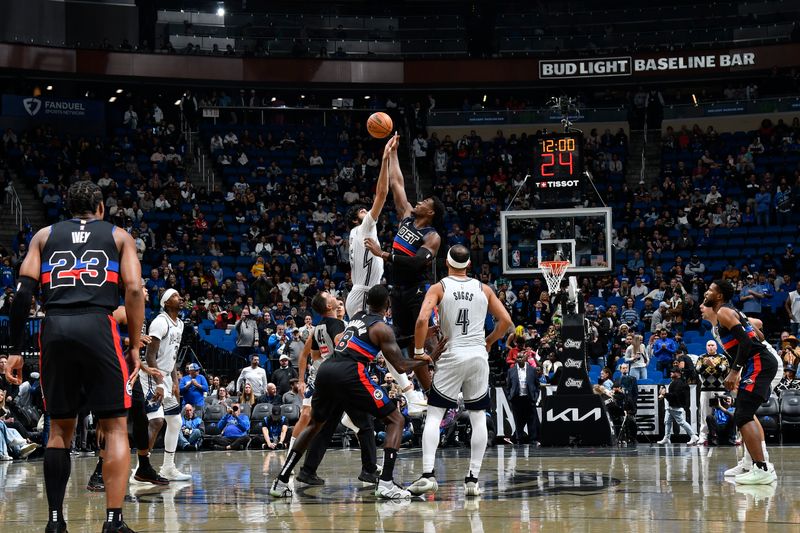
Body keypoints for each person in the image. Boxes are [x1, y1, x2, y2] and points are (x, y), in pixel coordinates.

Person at [6, 181, 143, 532]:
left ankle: (55, 521)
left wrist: (14, 350)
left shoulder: (44, 236)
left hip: (55, 328)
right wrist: (134, 347)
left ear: (70, 208)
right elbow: (132, 289)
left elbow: (21, 296)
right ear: (100, 208)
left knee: (59, 429)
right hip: (99, 324)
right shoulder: (119, 236)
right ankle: (113, 521)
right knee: (114, 426)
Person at [270, 285, 433, 500]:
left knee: (314, 425)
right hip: (350, 372)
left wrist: (413, 338)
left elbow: (385, 340)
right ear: (388, 305)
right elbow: (401, 366)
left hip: (326, 371)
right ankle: (385, 483)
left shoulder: (358, 316)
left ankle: (281, 481)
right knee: (395, 419)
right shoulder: (381, 328)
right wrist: (426, 357)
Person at [408, 244, 513, 497]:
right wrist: (489, 341)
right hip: (478, 355)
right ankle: (473, 481)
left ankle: (428, 475)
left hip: (452, 354)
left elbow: (422, 319)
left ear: (446, 263)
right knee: (478, 417)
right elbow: (507, 322)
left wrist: (420, 350)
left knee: (434, 415)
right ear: (469, 265)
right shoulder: (484, 288)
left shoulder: (439, 287)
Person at [364, 133, 444, 358]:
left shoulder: (432, 236)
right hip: (397, 289)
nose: (418, 202)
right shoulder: (407, 216)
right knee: (406, 342)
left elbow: (418, 262)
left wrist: (384, 255)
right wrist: (394, 153)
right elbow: (397, 182)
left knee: (427, 339)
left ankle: (442, 377)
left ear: (430, 212)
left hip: (417, 290)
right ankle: (424, 388)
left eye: (424, 202)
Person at [346, 134, 413, 394]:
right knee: (384, 341)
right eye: (362, 211)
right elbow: (382, 193)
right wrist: (385, 159)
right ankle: (408, 390)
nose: (367, 211)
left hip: (362, 291)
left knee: (367, 347)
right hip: (366, 293)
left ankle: (357, 390)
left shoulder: (355, 234)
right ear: (356, 220)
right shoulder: (363, 227)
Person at [292, 291, 381, 486]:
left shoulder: (317, 328)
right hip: (343, 377)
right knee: (365, 425)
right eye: (329, 296)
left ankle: (307, 471)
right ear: (329, 306)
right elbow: (344, 345)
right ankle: (369, 470)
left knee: (325, 427)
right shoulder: (337, 325)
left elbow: (314, 355)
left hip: (327, 377)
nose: (333, 296)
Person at [87, 280, 167, 493]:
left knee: (141, 419)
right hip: (112, 370)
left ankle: (144, 466)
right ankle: (99, 471)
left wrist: (145, 369)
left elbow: (134, 351)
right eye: (143, 286)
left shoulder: (141, 316)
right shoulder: (121, 310)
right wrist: (129, 340)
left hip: (131, 373)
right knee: (112, 423)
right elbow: (101, 333)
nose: (147, 290)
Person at [704, 280, 781, 484]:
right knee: (743, 413)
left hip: (759, 363)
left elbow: (748, 342)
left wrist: (733, 371)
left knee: (744, 414)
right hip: (757, 363)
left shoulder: (723, 312)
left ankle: (762, 468)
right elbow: (757, 335)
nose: (706, 293)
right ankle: (757, 466)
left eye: (710, 290)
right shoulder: (730, 312)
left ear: (719, 296)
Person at [140, 288, 190, 481]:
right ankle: (141, 468)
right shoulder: (160, 322)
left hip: (167, 377)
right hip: (152, 375)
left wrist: (175, 381)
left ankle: (168, 468)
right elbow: (149, 356)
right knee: (156, 421)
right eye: (176, 296)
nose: (181, 298)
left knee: (175, 421)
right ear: (166, 303)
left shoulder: (180, 324)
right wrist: (160, 383)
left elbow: (173, 355)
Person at [696, 338, 729, 445]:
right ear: (706, 347)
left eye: (712, 345)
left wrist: (713, 365)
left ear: (716, 347)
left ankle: (725, 435)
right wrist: (707, 365)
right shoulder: (701, 357)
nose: (710, 347)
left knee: (722, 412)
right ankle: (703, 436)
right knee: (705, 413)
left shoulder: (722, 357)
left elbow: (723, 370)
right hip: (705, 389)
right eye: (708, 345)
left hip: (720, 390)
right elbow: (698, 370)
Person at [657, 366, 699, 446]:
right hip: (670, 406)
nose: (671, 373)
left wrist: (664, 394)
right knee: (667, 422)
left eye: (673, 372)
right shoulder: (674, 382)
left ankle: (693, 436)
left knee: (681, 422)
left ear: (678, 373)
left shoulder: (678, 383)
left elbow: (675, 395)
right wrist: (664, 395)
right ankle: (667, 438)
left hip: (675, 406)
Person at [506, 351, 539, 444]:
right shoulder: (511, 371)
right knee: (518, 420)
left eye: (521, 357)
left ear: (525, 358)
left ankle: (533, 439)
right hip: (517, 399)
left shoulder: (532, 370)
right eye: (518, 357)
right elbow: (508, 386)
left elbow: (537, 385)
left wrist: (535, 397)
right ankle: (519, 439)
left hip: (529, 398)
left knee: (531, 420)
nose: (520, 359)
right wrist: (510, 397)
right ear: (516, 359)